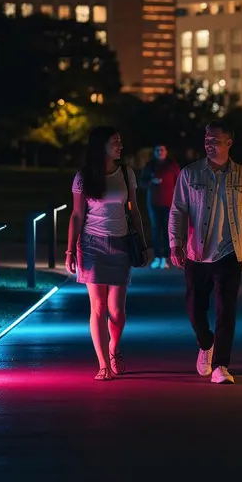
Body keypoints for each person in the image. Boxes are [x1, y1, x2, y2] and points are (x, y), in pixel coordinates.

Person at [169, 120, 242, 385]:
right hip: (197, 252)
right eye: (206, 139)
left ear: (228, 143)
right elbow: (178, 210)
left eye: (214, 140)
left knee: (226, 309)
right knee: (195, 307)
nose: (208, 144)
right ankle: (205, 343)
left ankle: (221, 364)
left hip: (229, 252)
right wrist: (176, 242)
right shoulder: (190, 174)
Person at [65, 127, 148, 381]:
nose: (120, 146)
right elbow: (77, 215)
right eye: (115, 142)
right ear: (101, 146)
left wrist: (143, 245)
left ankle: (113, 347)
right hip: (91, 245)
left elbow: (134, 211)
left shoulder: (126, 173)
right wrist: (70, 249)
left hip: (121, 244)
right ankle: (103, 364)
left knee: (117, 311)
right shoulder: (83, 178)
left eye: (120, 141)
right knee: (98, 307)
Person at [140, 143, 180, 269]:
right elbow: (142, 183)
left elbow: (179, 182)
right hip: (153, 203)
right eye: (157, 150)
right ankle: (158, 257)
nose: (160, 152)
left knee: (168, 230)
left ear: (166, 151)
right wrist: (151, 181)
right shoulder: (150, 165)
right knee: (156, 230)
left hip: (169, 203)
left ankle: (167, 257)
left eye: (162, 150)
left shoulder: (172, 165)